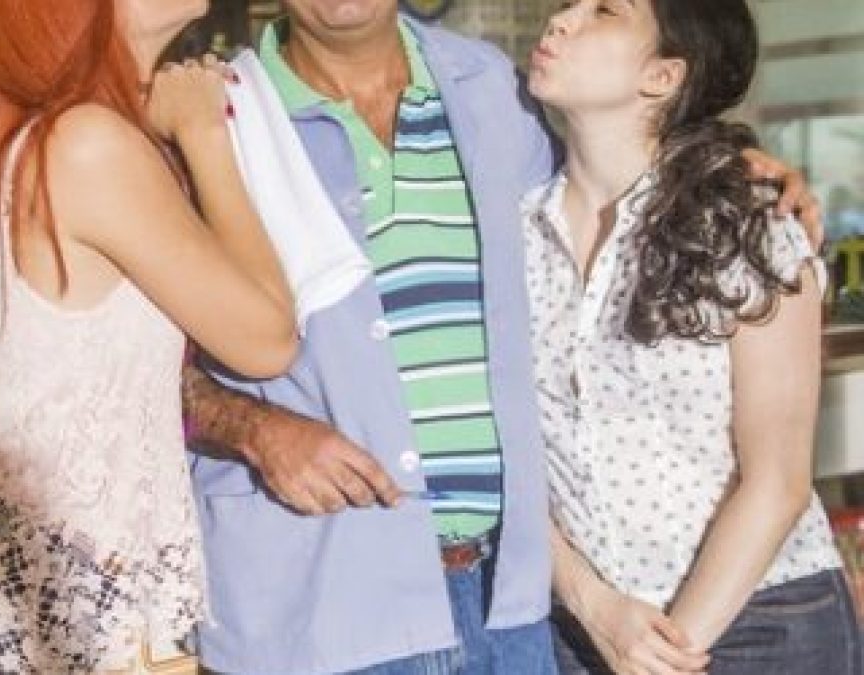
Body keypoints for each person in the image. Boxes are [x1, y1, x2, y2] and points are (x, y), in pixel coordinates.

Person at [181, 1, 824, 673]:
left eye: (601, 10)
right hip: (325, 606)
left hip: (516, 609)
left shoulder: (501, 93)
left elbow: (638, 152)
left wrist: (737, 174)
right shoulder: (213, 114)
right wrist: (254, 428)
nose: (566, 21)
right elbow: (130, 363)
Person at [0, 0, 297, 672]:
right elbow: (267, 339)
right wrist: (205, 131)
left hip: (22, 613)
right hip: (6, 628)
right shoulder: (87, 144)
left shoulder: (71, 137)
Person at [521, 1, 862, 673]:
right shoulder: (514, 235)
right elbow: (510, 463)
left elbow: (777, 482)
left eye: (603, 11)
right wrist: (594, 607)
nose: (562, 21)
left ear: (663, 75)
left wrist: (667, 653)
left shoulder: (750, 225)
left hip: (763, 622)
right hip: (589, 631)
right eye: (566, 6)